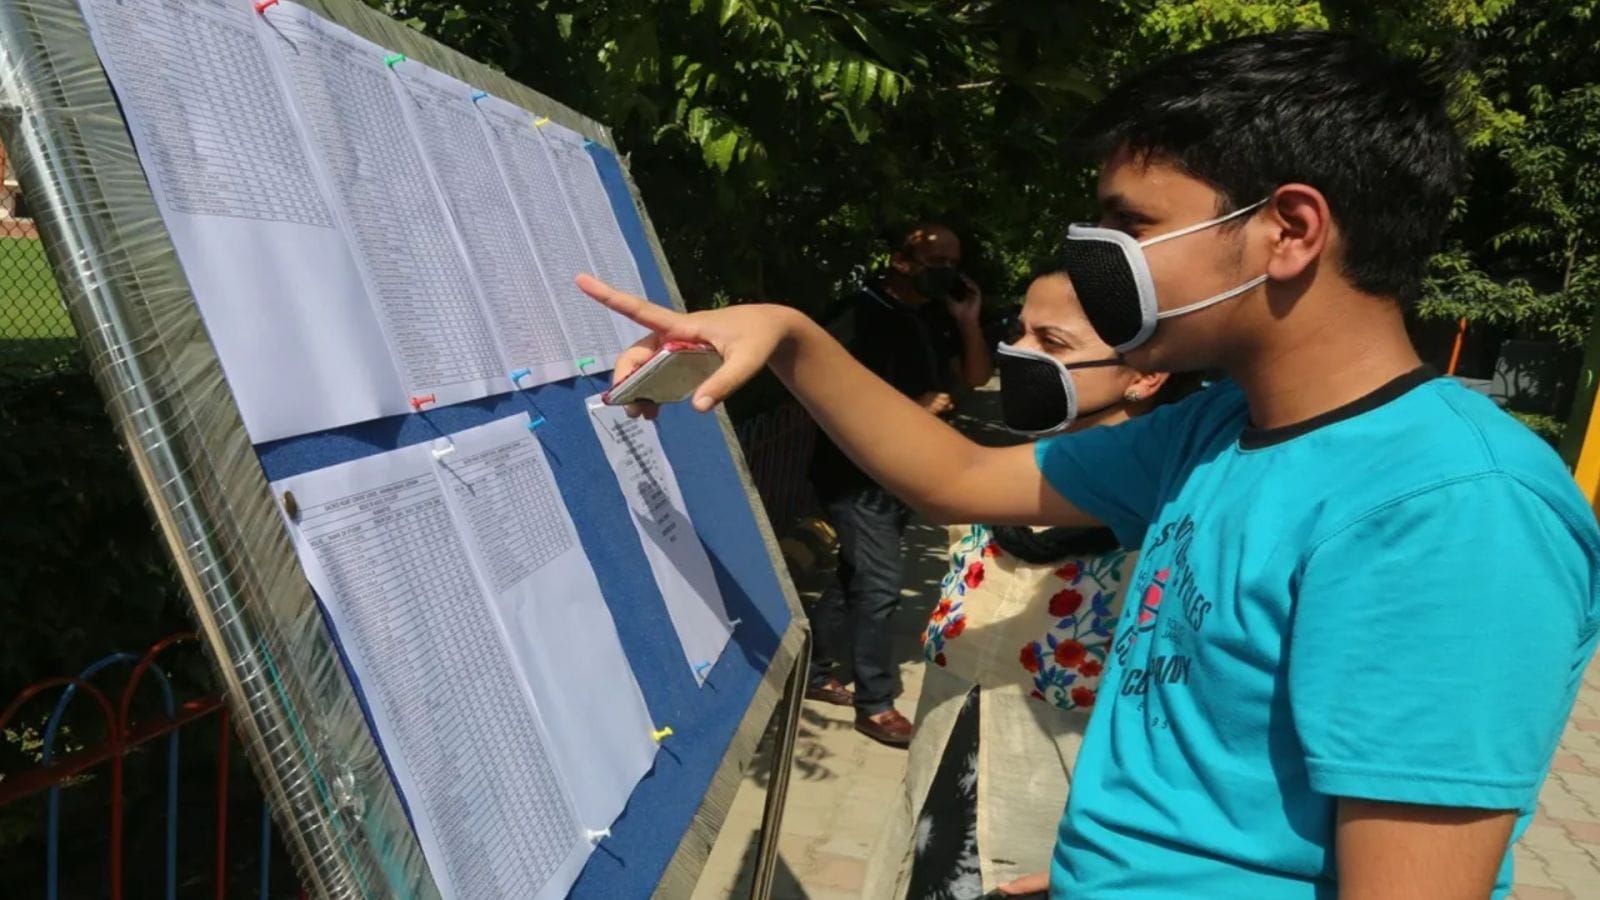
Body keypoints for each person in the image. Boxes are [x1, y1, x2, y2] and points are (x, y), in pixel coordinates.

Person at [577, 29, 1600, 899]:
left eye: (1131, 225)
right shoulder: (1219, 430)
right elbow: (958, 479)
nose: (1095, 255)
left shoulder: (1451, 510)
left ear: (1288, 231)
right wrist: (790, 335)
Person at [863, 269, 1186, 900]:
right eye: (1019, 332)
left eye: (1052, 342)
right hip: (932, 825)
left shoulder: (1168, 536)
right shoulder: (984, 494)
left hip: (1061, 861)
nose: (1019, 353)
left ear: (1144, 375)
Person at [806, 223, 994, 746]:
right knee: (882, 583)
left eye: (954, 262)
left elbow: (977, 377)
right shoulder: (858, 314)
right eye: (936, 262)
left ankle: (813, 668)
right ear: (902, 261)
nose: (947, 272)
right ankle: (875, 703)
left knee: (857, 575)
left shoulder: (935, 316)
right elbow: (824, 393)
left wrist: (968, 321)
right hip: (855, 476)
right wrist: (914, 410)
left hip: (904, 473)